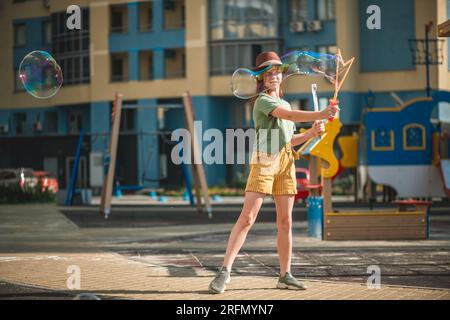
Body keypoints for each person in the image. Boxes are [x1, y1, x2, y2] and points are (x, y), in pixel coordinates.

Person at [208, 51, 340, 294]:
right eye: (267, 73)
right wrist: (320, 114)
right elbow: (288, 116)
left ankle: (285, 275)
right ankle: (224, 271)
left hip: (286, 161)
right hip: (264, 161)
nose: (273, 76)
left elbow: (290, 140)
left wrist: (312, 132)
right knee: (247, 218)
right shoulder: (263, 101)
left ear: (282, 76)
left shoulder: (286, 102)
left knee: (286, 221)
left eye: (277, 71)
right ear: (261, 78)